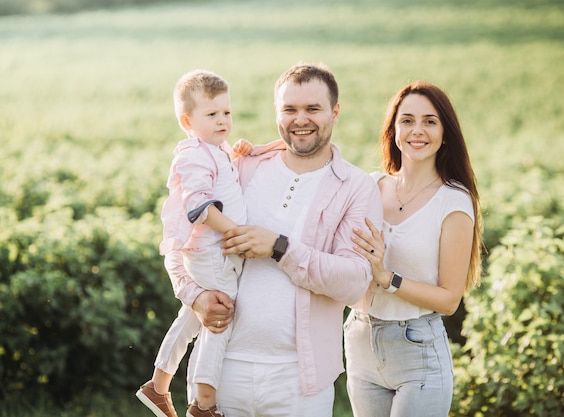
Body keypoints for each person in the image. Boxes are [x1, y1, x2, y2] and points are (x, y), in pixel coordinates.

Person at [171, 62, 383, 417]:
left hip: (300, 382)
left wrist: (279, 247)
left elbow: (353, 283)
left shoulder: (357, 188)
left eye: (313, 109)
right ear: (276, 113)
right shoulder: (240, 166)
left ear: (335, 111)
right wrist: (196, 297)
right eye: (290, 109)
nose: (301, 119)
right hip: (223, 371)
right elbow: (180, 240)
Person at [345, 81, 483, 417]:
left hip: (417, 351)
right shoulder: (371, 186)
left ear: (445, 133)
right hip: (361, 342)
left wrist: (386, 276)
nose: (417, 130)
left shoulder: (453, 201)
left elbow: (450, 299)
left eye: (430, 121)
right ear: (393, 129)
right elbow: (316, 166)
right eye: (406, 120)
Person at [136, 69, 253, 417]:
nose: (223, 121)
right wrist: (234, 231)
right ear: (187, 121)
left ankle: (157, 386)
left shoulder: (216, 149)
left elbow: (221, 178)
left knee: (191, 316)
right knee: (220, 315)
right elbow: (198, 206)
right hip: (212, 251)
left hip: (209, 252)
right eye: (212, 114)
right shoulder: (192, 154)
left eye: (227, 113)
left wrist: (242, 152)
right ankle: (204, 403)